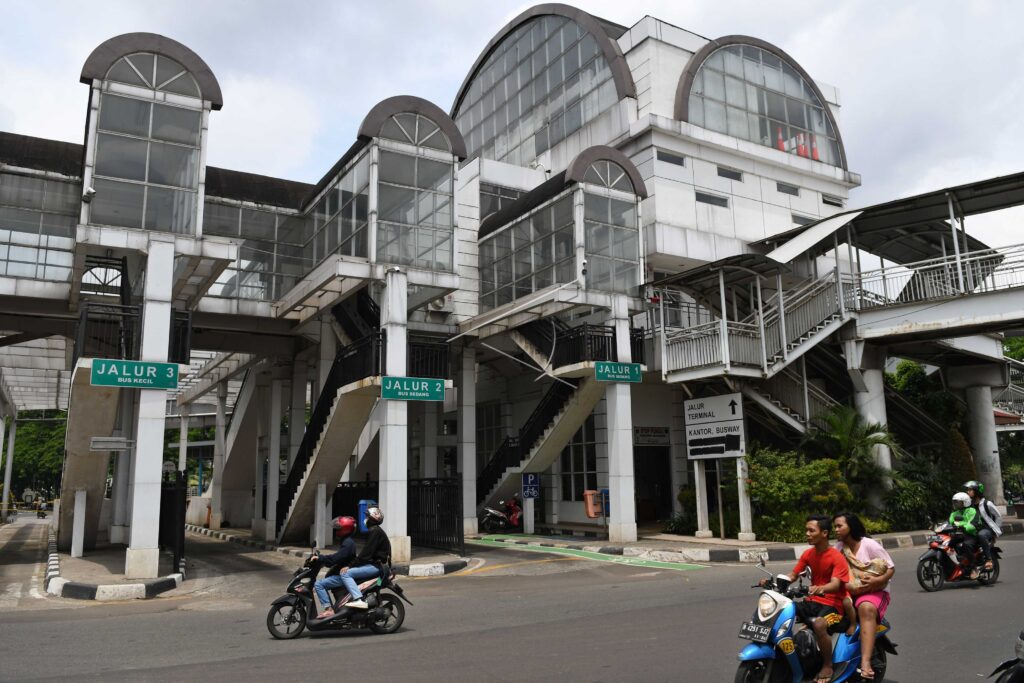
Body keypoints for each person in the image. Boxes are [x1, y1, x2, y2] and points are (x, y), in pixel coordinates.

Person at [761, 515, 849, 683]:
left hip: (833, 605)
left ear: (824, 533)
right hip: (812, 602)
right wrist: (775, 583)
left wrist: (820, 588)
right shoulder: (808, 554)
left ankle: (827, 665)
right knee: (783, 611)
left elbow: (836, 584)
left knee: (818, 624)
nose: (807, 534)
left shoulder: (836, 557)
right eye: (806, 530)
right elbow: (793, 575)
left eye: (811, 530)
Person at [834, 512, 895, 681]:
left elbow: (890, 568)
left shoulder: (869, 544)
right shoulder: (838, 548)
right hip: (848, 592)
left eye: (840, 526)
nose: (836, 530)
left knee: (865, 608)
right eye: (835, 526)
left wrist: (878, 580)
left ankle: (866, 662)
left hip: (874, 592)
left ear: (851, 527)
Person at [330, 505, 391, 615]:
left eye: (367, 517)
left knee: (346, 574)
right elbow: (366, 554)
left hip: (376, 567)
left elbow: (365, 554)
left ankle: (358, 599)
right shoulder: (376, 531)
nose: (365, 519)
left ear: (372, 519)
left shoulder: (375, 532)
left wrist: (350, 565)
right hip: (376, 565)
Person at [312, 516, 358, 620]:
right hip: (342, 572)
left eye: (338, 528)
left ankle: (329, 610)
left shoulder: (348, 543)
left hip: (343, 575)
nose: (336, 531)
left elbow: (336, 558)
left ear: (345, 529)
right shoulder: (346, 541)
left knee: (319, 584)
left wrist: (321, 558)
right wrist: (323, 559)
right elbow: (338, 557)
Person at [964, 480, 1002, 572]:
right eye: (967, 490)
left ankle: (989, 560)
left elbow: (998, 516)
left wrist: (995, 532)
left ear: (976, 491)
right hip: (974, 530)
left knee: (981, 535)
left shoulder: (987, 504)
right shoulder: (969, 505)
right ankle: (972, 566)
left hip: (987, 529)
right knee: (965, 544)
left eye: (970, 490)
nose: (967, 492)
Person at [950, 491, 980, 578]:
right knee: (948, 544)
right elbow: (951, 522)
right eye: (955, 502)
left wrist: (962, 526)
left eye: (958, 502)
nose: (956, 504)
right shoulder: (955, 513)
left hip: (971, 534)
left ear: (965, 502)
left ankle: (974, 568)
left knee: (967, 545)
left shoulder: (972, 511)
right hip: (959, 534)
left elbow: (973, 524)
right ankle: (956, 564)